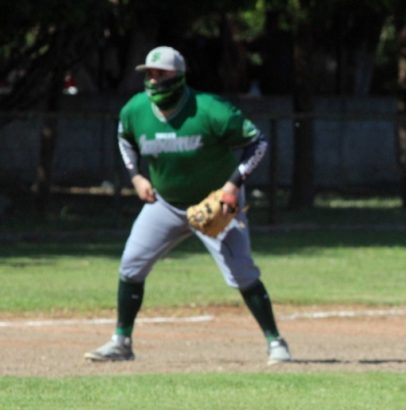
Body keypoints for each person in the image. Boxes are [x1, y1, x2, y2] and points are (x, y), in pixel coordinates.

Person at [84, 46, 292, 365]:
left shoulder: (209, 110)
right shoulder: (136, 110)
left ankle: (276, 342)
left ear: (179, 76)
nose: (153, 80)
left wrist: (233, 186)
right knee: (131, 265)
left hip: (216, 204)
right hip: (165, 204)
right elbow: (124, 136)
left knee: (242, 273)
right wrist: (136, 177)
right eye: (149, 74)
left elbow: (258, 143)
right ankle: (121, 342)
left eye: (161, 73)